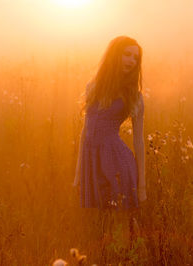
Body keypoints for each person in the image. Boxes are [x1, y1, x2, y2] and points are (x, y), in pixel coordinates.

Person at [73, 36, 146, 250]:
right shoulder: (93, 87)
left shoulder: (134, 96)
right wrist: (78, 173)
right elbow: (85, 131)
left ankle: (125, 257)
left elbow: (139, 141)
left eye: (136, 57)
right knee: (99, 223)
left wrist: (142, 186)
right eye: (127, 54)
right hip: (92, 161)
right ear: (115, 55)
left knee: (121, 223)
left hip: (117, 162)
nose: (131, 61)